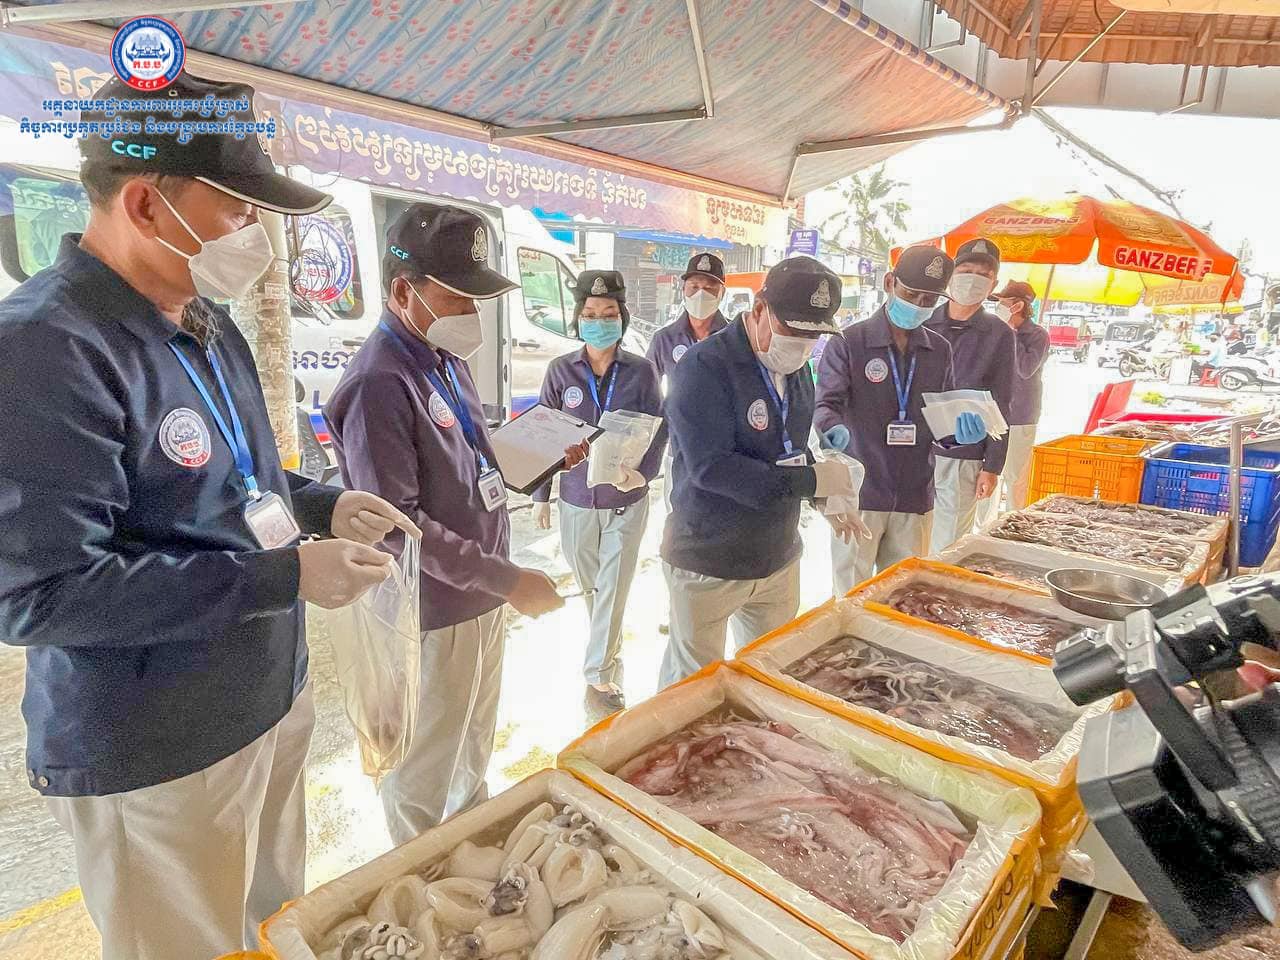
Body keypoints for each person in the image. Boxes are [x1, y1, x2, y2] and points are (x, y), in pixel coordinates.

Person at [0, 72, 411, 960]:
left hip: (265, 702)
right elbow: (40, 593)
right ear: (146, 204)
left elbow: (234, 482)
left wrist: (323, 503)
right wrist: (283, 575)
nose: (254, 233)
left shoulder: (203, 321)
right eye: (236, 209)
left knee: (269, 929)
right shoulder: (43, 348)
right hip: (159, 748)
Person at [324, 202, 587, 845]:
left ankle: (471, 848)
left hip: (481, 593)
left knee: (472, 740)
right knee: (423, 764)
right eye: (457, 297)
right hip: (432, 608)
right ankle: (416, 872)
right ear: (402, 292)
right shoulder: (379, 383)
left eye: (475, 298)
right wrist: (506, 579)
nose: (471, 312)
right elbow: (395, 524)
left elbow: (472, 463)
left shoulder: (444, 359)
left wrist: (541, 455)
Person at [658, 257, 859, 686]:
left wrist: (824, 496)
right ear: (759, 308)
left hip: (777, 556)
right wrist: (810, 481)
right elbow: (712, 468)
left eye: (814, 334)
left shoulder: (798, 370)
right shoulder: (703, 366)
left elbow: (791, 450)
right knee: (692, 689)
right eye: (793, 329)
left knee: (770, 680)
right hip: (709, 559)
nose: (802, 343)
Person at [532, 271, 666, 719]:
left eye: (609, 314)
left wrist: (643, 476)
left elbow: (659, 430)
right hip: (575, 497)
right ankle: (609, 657)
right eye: (590, 314)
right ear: (578, 319)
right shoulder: (560, 371)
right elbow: (542, 433)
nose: (599, 322)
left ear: (622, 318)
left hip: (625, 498)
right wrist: (540, 495)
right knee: (594, 588)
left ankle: (599, 677)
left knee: (613, 585)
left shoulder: (642, 371)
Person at [815, 246, 988, 594]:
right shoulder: (850, 342)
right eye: (911, 294)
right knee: (850, 594)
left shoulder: (939, 350)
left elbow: (941, 418)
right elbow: (826, 403)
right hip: (861, 494)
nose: (919, 305)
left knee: (903, 594)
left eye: (929, 299)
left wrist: (959, 436)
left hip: (915, 495)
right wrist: (830, 427)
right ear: (889, 283)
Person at [926, 238, 1015, 550]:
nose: (973, 279)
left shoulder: (999, 334)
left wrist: (992, 466)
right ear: (950, 274)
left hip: (964, 454)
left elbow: (1003, 400)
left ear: (994, 284)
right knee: (908, 537)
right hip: (913, 451)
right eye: (966, 271)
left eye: (983, 274)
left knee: (948, 542)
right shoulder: (924, 322)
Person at [647, 253, 730, 508]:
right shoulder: (664, 339)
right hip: (678, 448)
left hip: (725, 452)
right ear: (683, 289)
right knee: (678, 516)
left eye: (710, 288)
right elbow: (648, 395)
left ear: (722, 293)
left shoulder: (734, 340)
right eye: (694, 286)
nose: (701, 294)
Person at [977, 281, 1048, 524]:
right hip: (992, 412)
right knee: (986, 472)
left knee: (1015, 476)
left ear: (1018, 306)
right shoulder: (992, 331)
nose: (999, 307)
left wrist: (1011, 333)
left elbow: (1026, 368)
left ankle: (1014, 524)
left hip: (1021, 415)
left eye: (1004, 303)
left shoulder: (1037, 335)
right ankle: (983, 528)